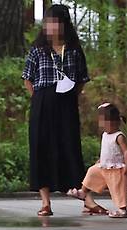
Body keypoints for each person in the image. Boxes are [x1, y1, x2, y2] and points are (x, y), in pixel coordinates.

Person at [21, 4, 91, 216]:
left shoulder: (74, 49)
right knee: (41, 148)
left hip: (66, 103)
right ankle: (45, 202)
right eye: (47, 22)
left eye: (55, 22)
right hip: (43, 102)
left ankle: (86, 198)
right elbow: (27, 78)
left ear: (64, 25)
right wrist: (41, 98)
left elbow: (82, 79)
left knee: (70, 147)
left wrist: (69, 96)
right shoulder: (38, 50)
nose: (50, 27)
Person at [68, 103, 127, 218]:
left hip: (115, 168)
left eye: (108, 123)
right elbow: (106, 150)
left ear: (116, 122)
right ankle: (83, 192)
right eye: (102, 122)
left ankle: (122, 209)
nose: (105, 126)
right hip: (104, 165)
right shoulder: (105, 135)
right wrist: (100, 160)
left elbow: (126, 151)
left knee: (118, 189)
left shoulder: (119, 136)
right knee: (92, 171)